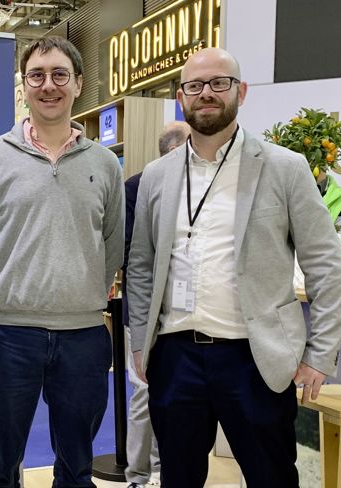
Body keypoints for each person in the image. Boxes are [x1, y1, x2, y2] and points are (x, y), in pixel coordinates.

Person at [126, 48, 341, 487]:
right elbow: (141, 265)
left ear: (240, 92)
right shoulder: (156, 175)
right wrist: (139, 342)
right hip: (175, 356)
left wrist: (321, 353)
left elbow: (325, 264)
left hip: (255, 357)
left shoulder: (285, 168)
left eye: (219, 83)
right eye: (195, 85)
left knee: (271, 477)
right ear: (181, 97)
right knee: (178, 478)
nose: (206, 93)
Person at [0, 36, 125, 488]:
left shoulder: (105, 164)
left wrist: (83, 295)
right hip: (6, 337)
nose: (49, 85)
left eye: (60, 75)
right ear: (23, 86)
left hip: (83, 337)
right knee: (0, 468)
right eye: (37, 75)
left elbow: (112, 244)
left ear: (79, 84)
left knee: (77, 469)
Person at [121, 120, 190, 488]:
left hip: (184, 312)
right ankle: (138, 474)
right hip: (144, 310)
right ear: (174, 149)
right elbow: (130, 253)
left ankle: (165, 470)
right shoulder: (137, 186)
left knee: (177, 393)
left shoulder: (199, 187)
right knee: (145, 390)